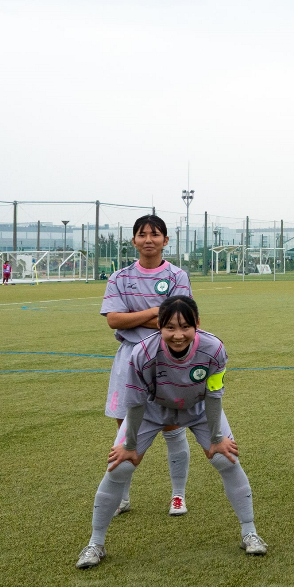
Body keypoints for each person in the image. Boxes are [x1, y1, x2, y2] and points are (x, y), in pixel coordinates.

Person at [76, 295, 266, 568]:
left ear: (197, 324)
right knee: (120, 466)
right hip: (153, 410)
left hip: (199, 408)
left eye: (186, 327)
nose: (178, 335)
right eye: (170, 328)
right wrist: (129, 445)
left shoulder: (214, 348)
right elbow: (136, 401)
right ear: (159, 327)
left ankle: (250, 533)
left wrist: (216, 439)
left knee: (226, 457)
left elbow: (213, 395)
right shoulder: (142, 352)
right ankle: (95, 544)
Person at [99, 215, 193, 518]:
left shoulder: (178, 276)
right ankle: (122, 497)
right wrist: (155, 310)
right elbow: (114, 319)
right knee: (126, 428)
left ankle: (178, 495)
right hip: (129, 357)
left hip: (166, 357)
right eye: (142, 234)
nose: (148, 239)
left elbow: (180, 321)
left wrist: (135, 314)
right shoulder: (119, 278)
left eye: (155, 234)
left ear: (166, 240)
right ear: (134, 241)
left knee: (172, 425)